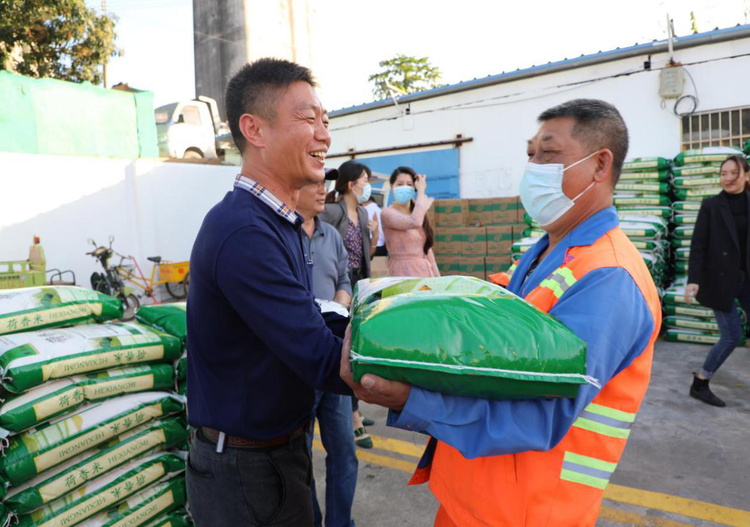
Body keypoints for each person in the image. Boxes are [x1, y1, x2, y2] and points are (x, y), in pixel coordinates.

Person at [341, 99, 662, 527]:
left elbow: (544, 413)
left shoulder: (611, 279)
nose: (533, 167)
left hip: (527, 512)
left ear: (600, 165)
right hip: (472, 496)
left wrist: (411, 399)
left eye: (548, 153)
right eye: (530, 154)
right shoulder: (545, 251)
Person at [185, 58, 351, 527]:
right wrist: (425, 373)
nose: (324, 136)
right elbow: (321, 358)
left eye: (325, 121)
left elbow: (307, 314)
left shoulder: (279, 223)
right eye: (308, 118)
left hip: (275, 456)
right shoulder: (246, 232)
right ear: (254, 129)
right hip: (246, 472)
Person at [298, 169, 359, 527]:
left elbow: (344, 279)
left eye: (325, 184)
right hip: (299, 364)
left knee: (345, 454)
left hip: (334, 356)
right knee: (299, 458)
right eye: (315, 184)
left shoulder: (331, 235)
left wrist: (338, 304)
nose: (323, 191)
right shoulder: (282, 236)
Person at [320, 160, 378, 448]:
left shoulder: (364, 213)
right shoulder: (332, 211)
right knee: (344, 347)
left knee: (358, 344)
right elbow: (320, 244)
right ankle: (353, 416)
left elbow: (368, 252)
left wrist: (374, 235)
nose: (368, 186)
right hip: (340, 284)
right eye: (365, 180)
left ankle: (355, 408)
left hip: (359, 284)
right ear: (351, 184)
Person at [685, 154, 750, 407]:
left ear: (746, 175)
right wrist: (693, 279)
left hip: (746, 280)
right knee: (731, 336)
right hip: (719, 281)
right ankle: (700, 382)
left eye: (734, 173)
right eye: (724, 173)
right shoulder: (711, 206)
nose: (728, 178)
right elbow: (698, 245)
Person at [381, 166, 439, 277]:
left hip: (424, 274)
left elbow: (428, 251)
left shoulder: (417, 212)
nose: (404, 187)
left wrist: (438, 280)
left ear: (414, 188)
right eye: (400, 184)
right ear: (392, 187)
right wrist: (421, 192)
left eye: (409, 184)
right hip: (401, 274)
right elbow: (414, 222)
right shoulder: (387, 213)